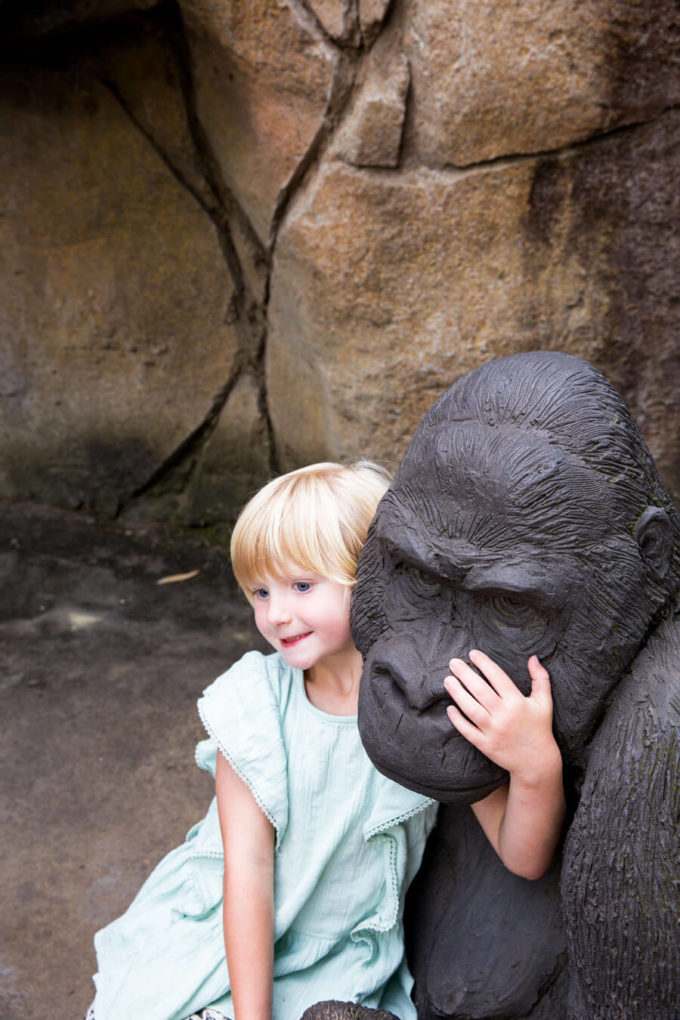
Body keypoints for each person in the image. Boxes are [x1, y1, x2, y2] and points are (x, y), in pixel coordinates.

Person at [87, 461, 563, 1020]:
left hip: (340, 958)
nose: (276, 614)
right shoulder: (256, 704)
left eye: (302, 585)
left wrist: (536, 768)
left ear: (373, 579)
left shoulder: (429, 708)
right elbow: (247, 873)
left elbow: (522, 858)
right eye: (260, 591)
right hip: (225, 942)